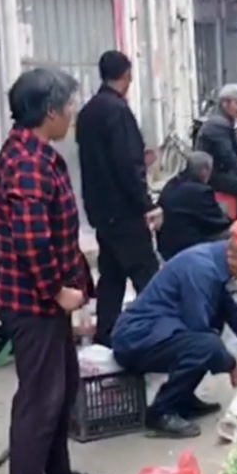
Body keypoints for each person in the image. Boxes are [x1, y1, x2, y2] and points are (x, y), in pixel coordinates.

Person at [0, 68, 109, 474]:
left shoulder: (40, 154)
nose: (73, 113)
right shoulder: (25, 163)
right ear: (49, 111)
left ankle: (56, 473)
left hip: (46, 298)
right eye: (69, 105)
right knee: (39, 395)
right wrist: (56, 290)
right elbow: (30, 240)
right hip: (30, 300)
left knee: (62, 388)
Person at [110, 220, 237, 437]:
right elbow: (198, 327)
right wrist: (232, 367)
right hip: (136, 339)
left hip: (159, 332)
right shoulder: (201, 270)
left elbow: (233, 312)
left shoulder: (215, 261)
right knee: (205, 344)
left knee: (210, 334)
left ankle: (182, 398)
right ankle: (161, 413)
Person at [77, 50, 161, 348]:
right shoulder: (118, 111)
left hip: (101, 211)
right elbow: (127, 165)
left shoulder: (88, 113)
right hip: (124, 210)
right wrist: (146, 204)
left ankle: (106, 335)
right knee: (147, 274)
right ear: (126, 76)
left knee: (111, 275)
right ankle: (161, 332)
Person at [195, 83, 237, 219]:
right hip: (213, 175)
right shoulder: (218, 124)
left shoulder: (222, 122)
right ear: (225, 104)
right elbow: (228, 155)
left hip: (214, 172)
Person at [155, 151, 233, 260]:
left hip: (166, 248)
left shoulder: (171, 183)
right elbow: (219, 223)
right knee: (235, 234)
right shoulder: (201, 191)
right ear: (204, 171)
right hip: (187, 248)